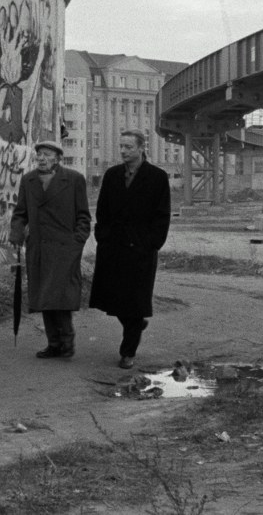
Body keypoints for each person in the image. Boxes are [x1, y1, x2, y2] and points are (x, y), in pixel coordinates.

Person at [88, 130, 171, 369]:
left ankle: (128, 352)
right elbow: (102, 210)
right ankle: (135, 324)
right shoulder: (112, 175)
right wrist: (102, 237)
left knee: (136, 300)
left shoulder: (157, 177)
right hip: (113, 248)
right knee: (113, 299)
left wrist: (151, 243)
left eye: (128, 147)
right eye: (121, 146)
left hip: (140, 250)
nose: (123, 151)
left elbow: (162, 215)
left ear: (141, 148)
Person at [9, 139, 91, 359]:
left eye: (46, 155)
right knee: (45, 295)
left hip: (65, 249)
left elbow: (84, 217)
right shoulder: (29, 180)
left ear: (57, 158)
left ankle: (67, 341)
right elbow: (20, 213)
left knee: (60, 297)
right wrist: (16, 233)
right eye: (39, 155)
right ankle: (53, 344)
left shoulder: (74, 180)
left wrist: (77, 242)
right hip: (39, 247)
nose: (41, 159)